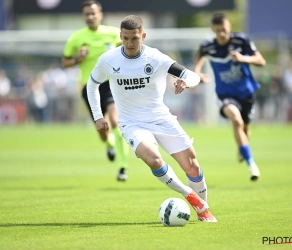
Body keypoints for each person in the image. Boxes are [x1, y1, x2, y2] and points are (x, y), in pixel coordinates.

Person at [87, 15, 217, 222]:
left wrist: (186, 83)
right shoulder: (108, 60)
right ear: (120, 36)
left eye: (135, 38)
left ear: (143, 36)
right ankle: (192, 198)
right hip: (131, 124)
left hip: (161, 118)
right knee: (154, 160)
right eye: (125, 38)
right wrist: (97, 116)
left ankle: (203, 214)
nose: (129, 43)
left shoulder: (156, 58)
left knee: (192, 166)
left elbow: (192, 76)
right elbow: (92, 84)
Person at [62, 0, 129, 181]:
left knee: (116, 120)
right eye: (87, 14)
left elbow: (126, 52)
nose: (90, 17)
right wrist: (78, 59)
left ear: (100, 14)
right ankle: (109, 144)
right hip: (90, 88)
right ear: (84, 17)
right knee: (103, 131)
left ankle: (123, 168)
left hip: (111, 84)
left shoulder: (113, 33)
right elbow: (65, 62)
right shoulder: (76, 38)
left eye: (93, 13)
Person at [194, 13, 266, 181]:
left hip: (247, 93)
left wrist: (243, 58)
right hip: (225, 94)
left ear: (229, 28)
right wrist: (198, 74)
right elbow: (199, 58)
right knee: (236, 120)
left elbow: (261, 61)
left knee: (245, 129)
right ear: (213, 30)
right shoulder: (208, 47)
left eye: (224, 30)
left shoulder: (241, 41)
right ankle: (252, 166)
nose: (221, 34)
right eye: (218, 31)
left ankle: (242, 147)